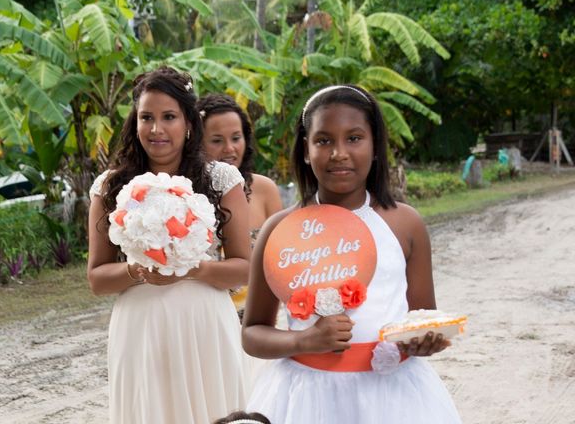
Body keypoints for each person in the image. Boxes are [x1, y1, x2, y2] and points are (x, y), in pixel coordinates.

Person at [242, 85, 462, 422]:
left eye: (354, 138)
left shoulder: (405, 224)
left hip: (393, 399)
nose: (339, 153)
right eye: (324, 140)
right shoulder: (280, 230)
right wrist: (303, 340)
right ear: (305, 149)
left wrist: (423, 341)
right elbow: (253, 333)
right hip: (306, 398)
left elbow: (423, 317)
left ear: (375, 147)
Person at [87, 67, 251, 424]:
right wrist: (137, 271)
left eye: (169, 117)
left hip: (203, 321)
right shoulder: (110, 187)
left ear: (189, 123)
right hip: (140, 326)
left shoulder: (220, 180)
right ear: (135, 122)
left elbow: (244, 267)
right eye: (147, 117)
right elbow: (97, 278)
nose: (156, 129)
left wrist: (192, 268)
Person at [197, 94, 283, 317]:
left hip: (260, 317)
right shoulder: (186, 195)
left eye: (236, 138)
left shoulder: (265, 190)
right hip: (206, 315)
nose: (229, 149)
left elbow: (284, 260)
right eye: (217, 140)